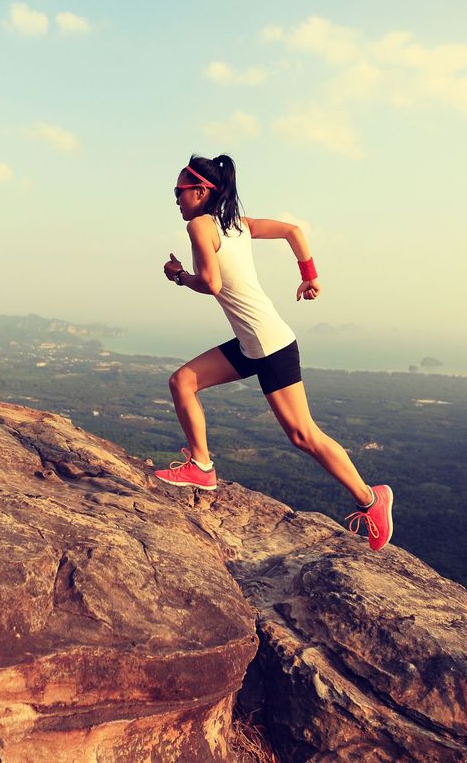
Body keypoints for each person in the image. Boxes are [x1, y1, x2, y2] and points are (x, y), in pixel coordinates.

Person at [154, 154, 394, 551]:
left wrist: (178, 276)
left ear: (200, 191)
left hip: (269, 345)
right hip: (253, 343)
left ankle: (372, 499)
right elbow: (293, 231)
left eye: (179, 191)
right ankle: (201, 467)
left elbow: (211, 284)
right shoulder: (235, 225)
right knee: (182, 382)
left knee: (303, 435)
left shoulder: (201, 226)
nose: (176, 199)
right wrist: (310, 277)